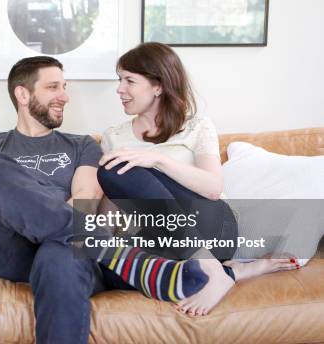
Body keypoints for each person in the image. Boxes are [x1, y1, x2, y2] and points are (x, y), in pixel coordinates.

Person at [0, 56, 212, 344]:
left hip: (71, 249)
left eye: (64, 87)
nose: (65, 97)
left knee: (62, 253)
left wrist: (48, 225)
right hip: (8, 250)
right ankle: (124, 259)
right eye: (53, 87)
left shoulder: (82, 145)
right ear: (22, 94)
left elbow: (86, 199)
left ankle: (105, 250)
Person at [97, 42, 299, 317]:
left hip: (210, 225)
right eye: (119, 80)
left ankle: (210, 266)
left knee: (126, 168)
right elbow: (115, 204)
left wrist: (158, 160)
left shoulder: (196, 126)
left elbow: (214, 188)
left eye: (129, 80)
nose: (120, 89)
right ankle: (231, 272)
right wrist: (107, 236)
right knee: (113, 266)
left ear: (158, 85)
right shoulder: (114, 136)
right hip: (160, 236)